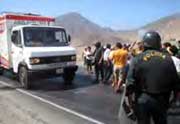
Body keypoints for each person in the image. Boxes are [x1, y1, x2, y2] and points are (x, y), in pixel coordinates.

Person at [125, 31, 180, 124]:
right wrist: (174, 99)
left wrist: (130, 103)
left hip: (142, 99)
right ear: (158, 43)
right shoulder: (168, 58)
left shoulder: (137, 58)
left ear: (144, 43)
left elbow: (130, 83)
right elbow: (176, 82)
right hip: (162, 100)